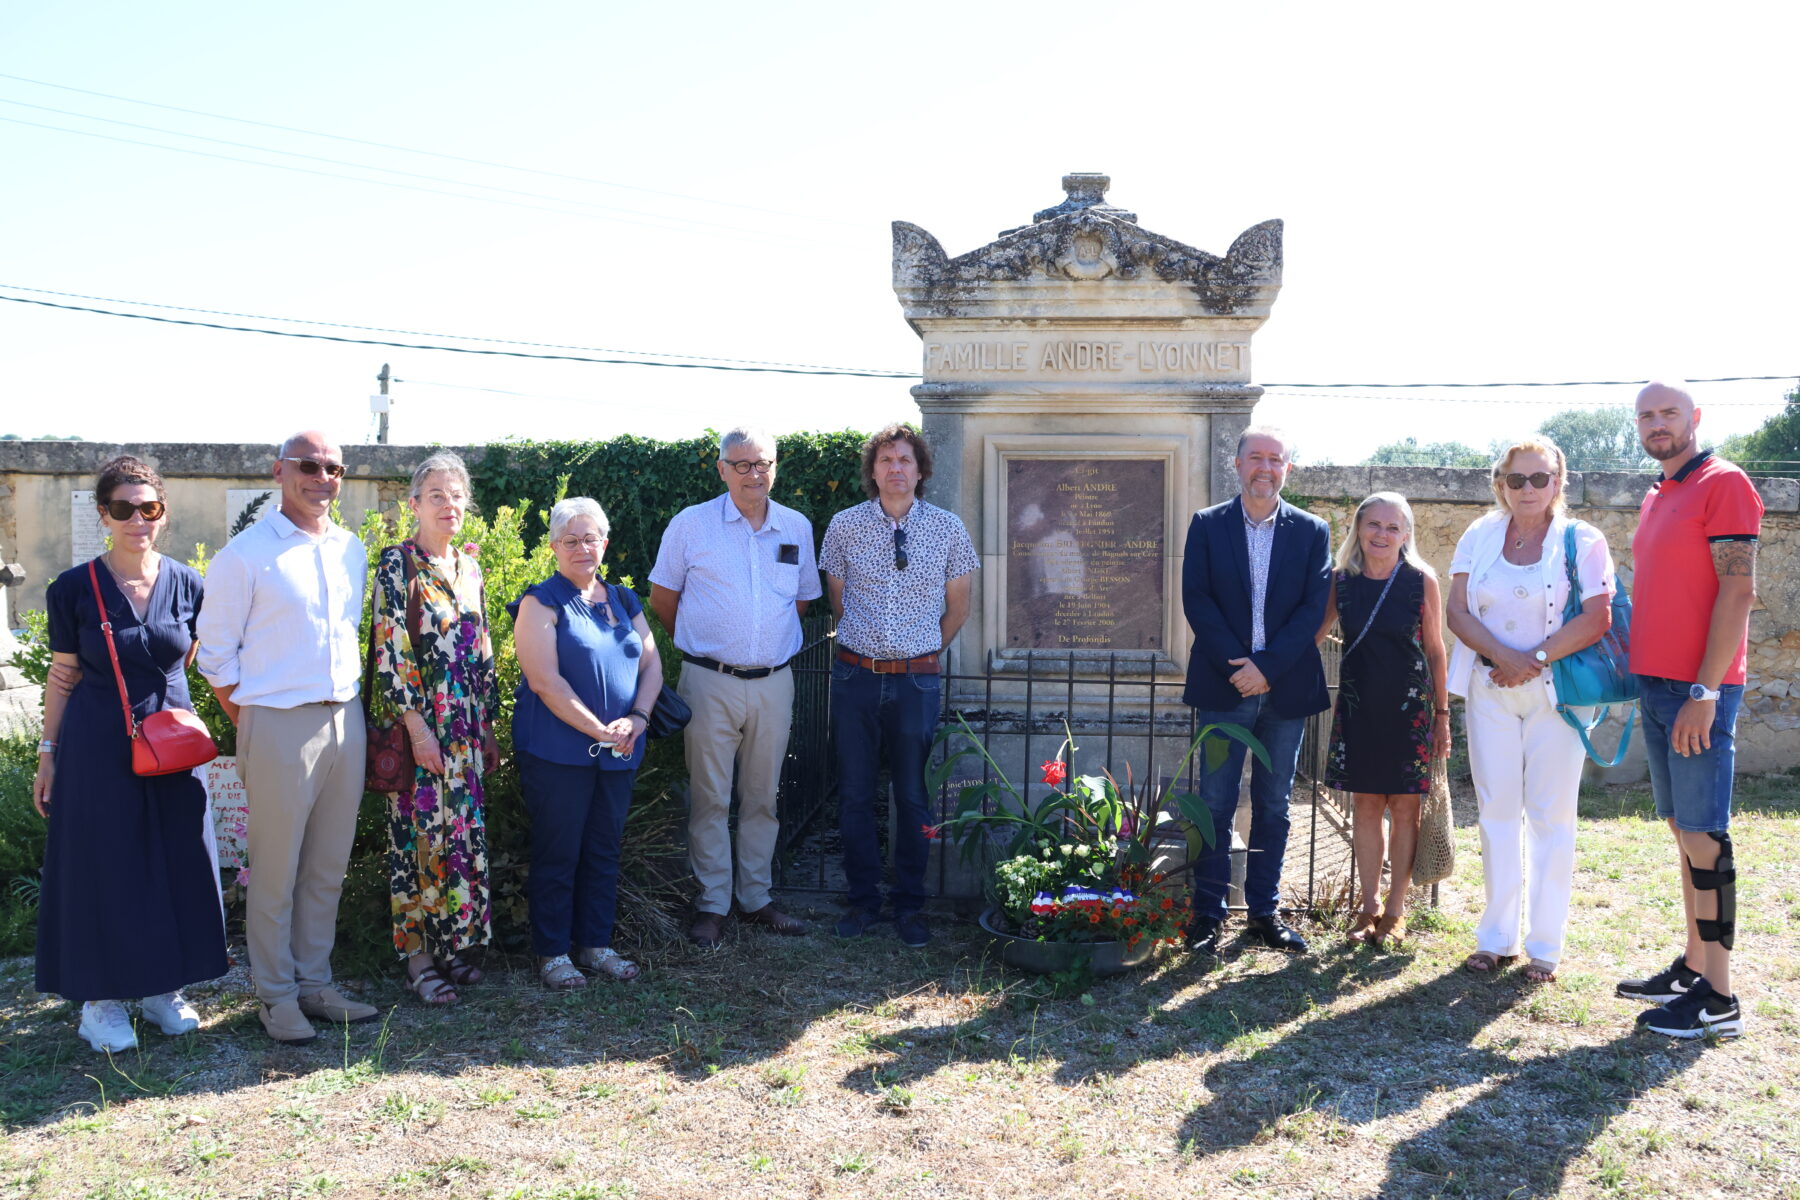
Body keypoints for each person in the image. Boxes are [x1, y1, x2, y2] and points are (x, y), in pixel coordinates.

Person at [32, 456, 228, 1052]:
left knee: (177, 858)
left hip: (171, 745)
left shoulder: (190, 584)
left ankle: (161, 990)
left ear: (163, 514)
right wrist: (48, 753)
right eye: (124, 509)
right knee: (104, 866)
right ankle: (101, 1003)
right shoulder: (72, 589)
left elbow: (187, 659)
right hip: (96, 746)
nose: (138, 519)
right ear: (104, 516)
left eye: (150, 508)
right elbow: (63, 675)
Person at [196, 431, 376, 1044]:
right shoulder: (244, 556)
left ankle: (315, 983)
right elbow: (215, 658)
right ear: (279, 471)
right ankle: (275, 997)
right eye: (309, 465)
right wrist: (253, 725)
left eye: (333, 467)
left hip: (345, 719)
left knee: (327, 865)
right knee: (275, 869)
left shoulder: (352, 550)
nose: (322, 476)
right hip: (274, 722)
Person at [1617, 382, 1761, 1039]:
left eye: (1668, 412)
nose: (1656, 423)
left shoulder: (1724, 483)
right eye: (1646, 415)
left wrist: (1704, 693)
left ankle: (1720, 999)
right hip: (1657, 685)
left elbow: (1737, 593)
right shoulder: (1658, 493)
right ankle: (1694, 968)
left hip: (1697, 691)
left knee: (1707, 837)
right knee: (1683, 828)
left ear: (1695, 419)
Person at [1446, 436, 1615, 984]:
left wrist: (1533, 660)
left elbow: (1597, 617)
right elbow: (1456, 610)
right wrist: (1504, 658)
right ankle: (1496, 939)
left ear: (1558, 482)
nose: (1528, 489)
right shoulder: (1480, 534)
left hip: (1558, 695)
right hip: (1490, 687)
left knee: (1551, 817)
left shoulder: (1582, 539)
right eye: (1516, 479)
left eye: (1539, 478)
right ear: (1501, 484)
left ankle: (1545, 946)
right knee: (1495, 811)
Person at [650, 426, 819, 948]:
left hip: (774, 683)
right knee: (708, 798)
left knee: (763, 797)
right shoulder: (690, 525)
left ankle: (756, 897)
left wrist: (759, 643)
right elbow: (662, 598)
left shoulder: (796, 527)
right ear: (721, 469)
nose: (753, 474)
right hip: (709, 682)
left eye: (762, 463)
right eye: (741, 465)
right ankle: (711, 903)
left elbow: (804, 601)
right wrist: (710, 644)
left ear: (776, 467)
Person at [820, 422, 977, 948]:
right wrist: (872, 646)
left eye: (905, 460)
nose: (895, 469)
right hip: (854, 676)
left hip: (917, 681)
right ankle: (864, 901)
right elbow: (838, 601)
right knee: (857, 793)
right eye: (885, 460)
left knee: (912, 796)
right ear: (873, 471)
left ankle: (910, 905)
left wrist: (920, 652)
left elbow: (959, 608)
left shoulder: (949, 529)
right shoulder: (843, 526)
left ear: (920, 469)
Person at [1180, 425, 1331, 957]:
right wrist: (1238, 668)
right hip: (1224, 688)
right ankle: (1207, 913)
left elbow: (1313, 608)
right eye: (1256, 458)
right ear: (1238, 464)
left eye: (1276, 459)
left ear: (1287, 468)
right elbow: (1197, 600)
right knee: (1214, 802)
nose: (1265, 467)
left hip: (1286, 690)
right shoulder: (1207, 525)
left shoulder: (1313, 531)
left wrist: (1266, 668)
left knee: (1275, 803)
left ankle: (1264, 913)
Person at [510, 497, 663, 989]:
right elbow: (545, 683)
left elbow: (652, 664)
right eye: (570, 540)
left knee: (603, 850)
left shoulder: (623, 599)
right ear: (554, 546)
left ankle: (596, 945)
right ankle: (553, 953)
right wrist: (601, 730)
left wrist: (637, 718)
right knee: (559, 852)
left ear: (604, 543)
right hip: (558, 753)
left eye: (590, 538)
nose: (581, 548)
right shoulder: (541, 602)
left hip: (621, 750)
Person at [371, 452, 500, 1005]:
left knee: (459, 841)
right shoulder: (398, 564)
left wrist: (488, 724)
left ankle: (453, 948)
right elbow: (390, 649)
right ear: (414, 505)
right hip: (422, 730)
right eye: (437, 496)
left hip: (467, 733)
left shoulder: (468, 568)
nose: (449, 505)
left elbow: (484, 647)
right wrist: (418, 729)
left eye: (457, 495)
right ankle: (419, 961)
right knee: (417, 842)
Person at [1318, 492, 1449, 949]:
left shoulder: (1420, 581)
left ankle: (1396, 909)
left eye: (1393, 527)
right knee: (1368, 808)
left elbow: (1435, 649)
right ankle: (1368, 904)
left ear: (1406, 534)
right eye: (1374, 525)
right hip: (1359, 708)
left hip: (1410, 710)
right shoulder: (1342, 582)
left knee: (1406, 809)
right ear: (1358, 528)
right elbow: (1313, 635)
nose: (1382, 534)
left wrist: (1443, 717)